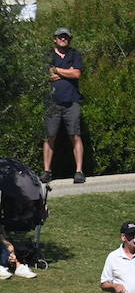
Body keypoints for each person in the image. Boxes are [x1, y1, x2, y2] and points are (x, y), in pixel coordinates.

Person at [41, 27, 84, 184]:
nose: (63, 39)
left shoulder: (75, 54)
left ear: (69, 39)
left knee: (75, 136)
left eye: (66, 37)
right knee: (49, 136)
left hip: (72, 101)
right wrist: (67, 72)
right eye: (60, 36)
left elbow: (77, 74)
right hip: (52, 103)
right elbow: (46, 73)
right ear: (55, 39)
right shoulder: (47, 55)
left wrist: (56, 70)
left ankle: (79, 171)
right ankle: (46, 171)